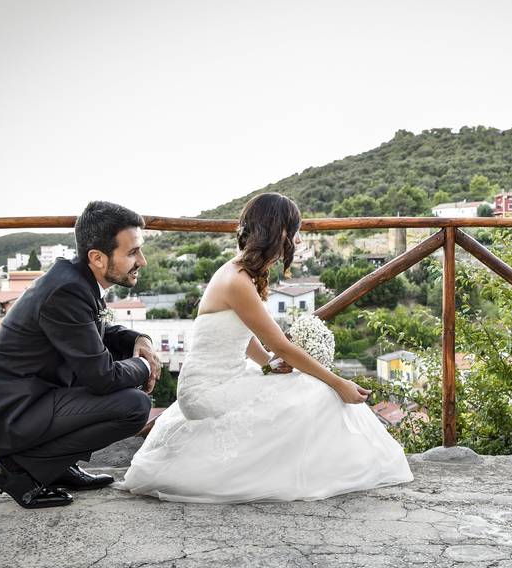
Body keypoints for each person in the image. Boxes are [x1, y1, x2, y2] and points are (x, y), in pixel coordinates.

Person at [120, 193, 412, 502]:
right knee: (318, 391)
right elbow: (281, 346)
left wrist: (266, 364)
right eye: (293, 232)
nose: (297, 241)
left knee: (302, 385)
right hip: (207, 390)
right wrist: (339, 383)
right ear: (279, 233)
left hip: (225, 377)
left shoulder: (241, 272)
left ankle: (324, 464)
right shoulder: (236, 280)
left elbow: (242, 334)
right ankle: (334, 468)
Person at [0, 201, 161, 508]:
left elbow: (90, 333)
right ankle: (18, 471)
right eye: (132, 252)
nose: (141, 261)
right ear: (98, 258)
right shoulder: (68, 291)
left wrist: (138, 338)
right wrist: (145, 365)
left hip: (23, 399)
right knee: (133, 405)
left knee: (125, 394)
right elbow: (102, 377)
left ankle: (55, 468)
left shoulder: (75, 280)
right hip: (7, 412)